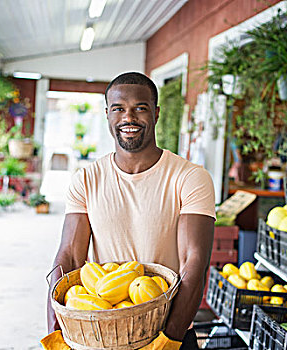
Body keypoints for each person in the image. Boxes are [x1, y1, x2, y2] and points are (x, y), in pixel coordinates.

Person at [44, 72, 216, 350]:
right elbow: (69, 256)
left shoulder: (189, 177)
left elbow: (194, 262)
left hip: (169, 328)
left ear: (156, 114)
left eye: (140, 108)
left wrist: (167, 341)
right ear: (108, 115)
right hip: (101, 333)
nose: (129, 117)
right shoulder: (87, 179)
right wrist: (55, 332)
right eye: (119, 109)